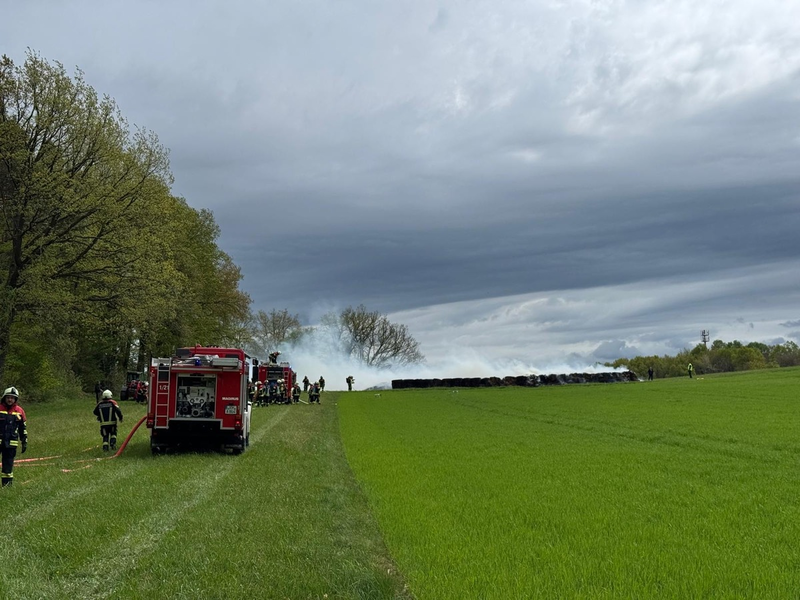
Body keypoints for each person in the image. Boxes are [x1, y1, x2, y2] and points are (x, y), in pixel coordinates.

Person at [1, 387, 27, 487]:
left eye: (12, 398)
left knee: (8, 466)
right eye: (8, 397)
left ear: (15, 399)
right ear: (4, 398)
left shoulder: (19, 411)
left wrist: (24, 441)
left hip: (11, 444)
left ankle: (7, 486)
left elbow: (23, 428)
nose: (10, 400)